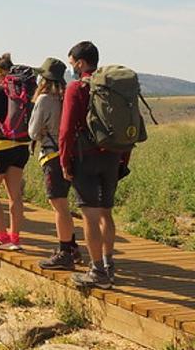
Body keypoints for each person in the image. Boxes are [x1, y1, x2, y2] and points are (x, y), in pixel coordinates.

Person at [62, 41, 130, 289]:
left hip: (85, 157)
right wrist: (122, 158)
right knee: (106, 212)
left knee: (89, 215)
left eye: (72, 63)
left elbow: (66, 129)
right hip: (113, 155)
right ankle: (109, 264)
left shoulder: (77, 87)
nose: (72, 68)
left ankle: (97, 272)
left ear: (80, 63)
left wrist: (65, 161)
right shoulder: (113, 87)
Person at [29, 57, 82, 269]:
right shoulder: (68, 96)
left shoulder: (44, 99)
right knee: (64, 204)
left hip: (51, 156)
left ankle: (65, 251)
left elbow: (33, 131)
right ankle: (72, 247)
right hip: (70, 155)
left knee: (59, 206)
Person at [0, 53, 32, 250]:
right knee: (15, 195)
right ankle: (15, 238)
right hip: (21, 147)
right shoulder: (22, 91)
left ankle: (1, 235)